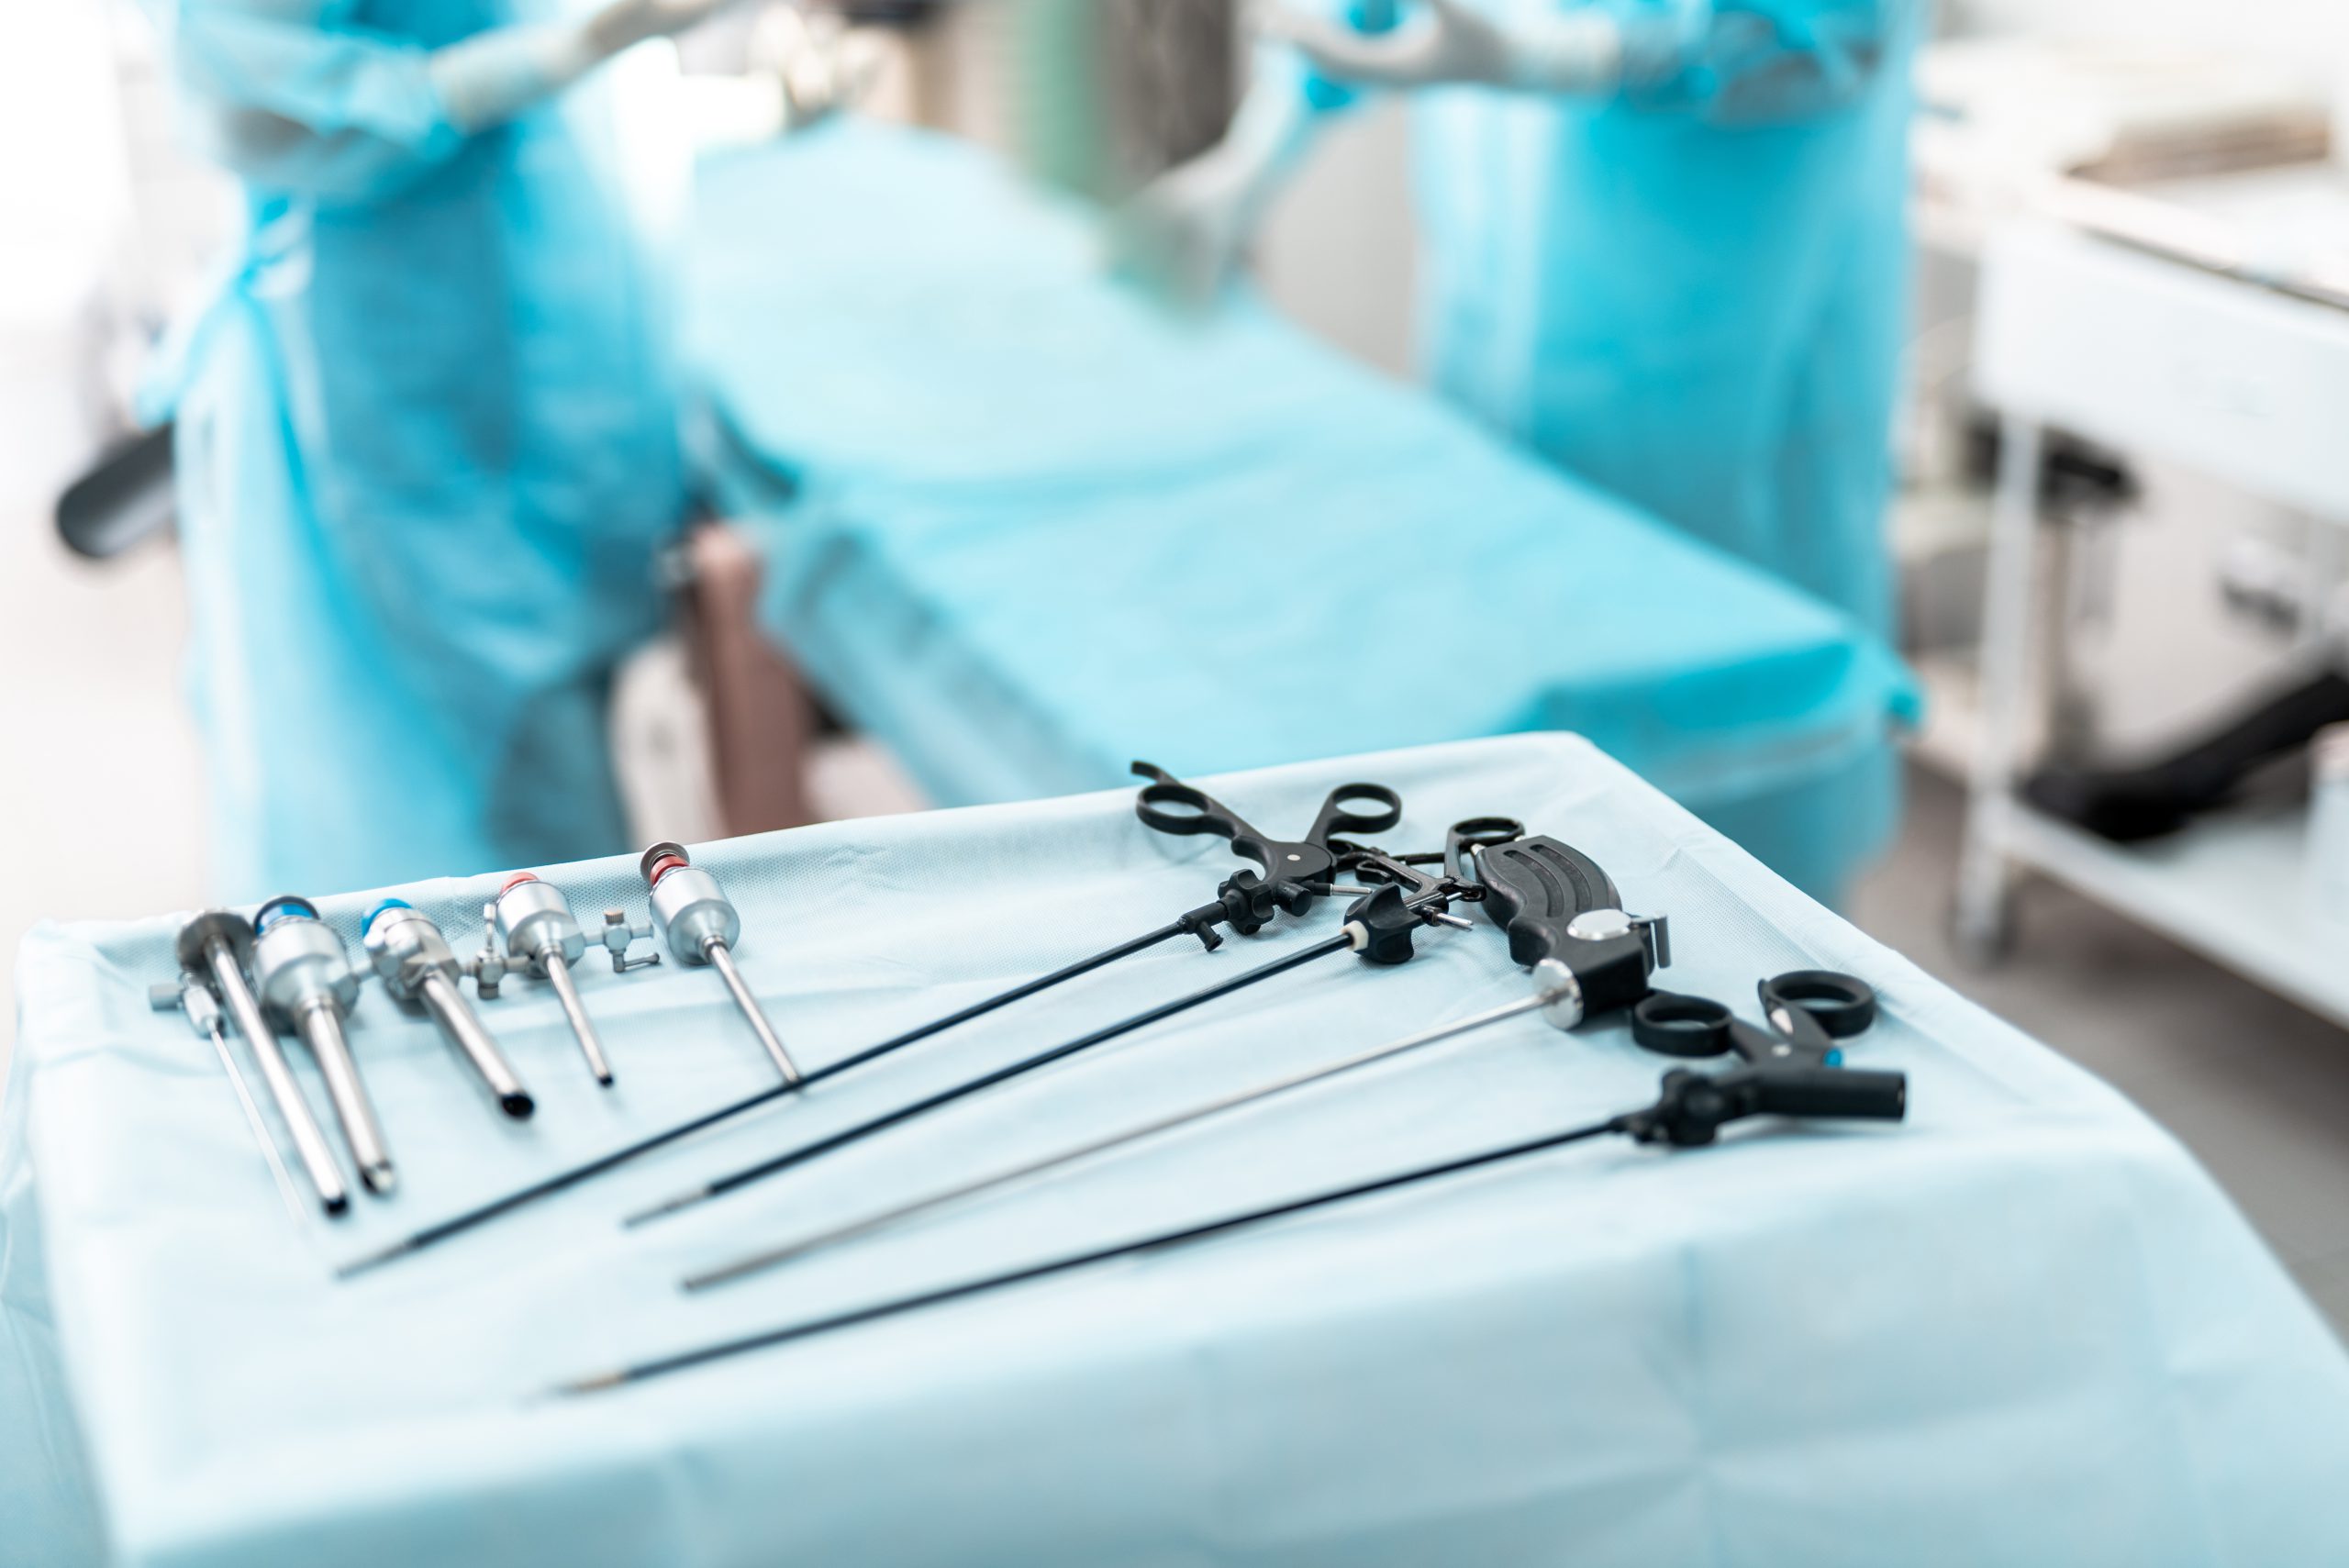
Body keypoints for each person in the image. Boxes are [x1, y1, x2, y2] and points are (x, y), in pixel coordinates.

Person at [145, 0, 729, 898]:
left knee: (563, 811)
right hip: (398, 379)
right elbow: (252, 84)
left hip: (563, 345)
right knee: (450, 874)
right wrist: (544, 56)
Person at [1127, 0, 1920, 638]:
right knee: (1513, 660)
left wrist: (1557, 55)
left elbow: (1828, 31)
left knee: (1718, 716)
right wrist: (1258, 154)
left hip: (1719, 347)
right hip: (1494, 296)